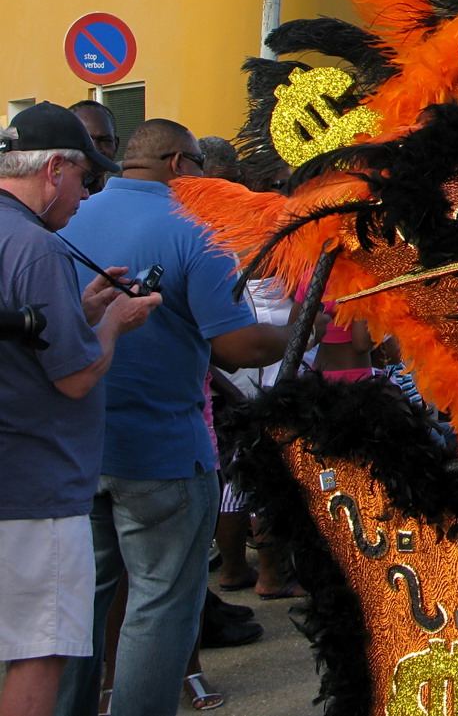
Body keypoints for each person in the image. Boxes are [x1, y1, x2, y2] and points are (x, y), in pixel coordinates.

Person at [53, 120, 289, 716]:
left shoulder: (68, 219)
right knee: (160, 607)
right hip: (163, 453)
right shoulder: (193, 228)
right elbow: (237, 347)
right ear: (181, 166)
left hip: (78, 449)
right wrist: (294, 332)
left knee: (87, 599)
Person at [0, 103, 154, 716]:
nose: (86, 197)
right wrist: (117, 320)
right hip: (38, 486)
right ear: (55, 168)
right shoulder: (36, 247)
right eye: (86, 180)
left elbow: (27, 344)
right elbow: (74, 379)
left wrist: (84, 313)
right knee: (38, 653)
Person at [66, 102, 119, 190]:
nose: (95, 149)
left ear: (116, 145)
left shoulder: (123, 201)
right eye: (85, 140)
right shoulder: (49, 201)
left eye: (104, 140)